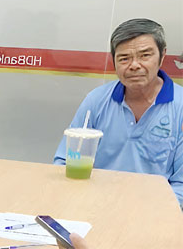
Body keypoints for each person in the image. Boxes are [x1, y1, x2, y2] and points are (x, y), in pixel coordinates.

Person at [54, 18, 183, 204]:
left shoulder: (180, 106)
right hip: (94, 204)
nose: (134, 65)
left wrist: (143, 211)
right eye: (124, 58)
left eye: (145, 56)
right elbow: (64, 162)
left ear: (162, 56)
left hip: (153, 209)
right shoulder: (96, 100)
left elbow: (180, 185)